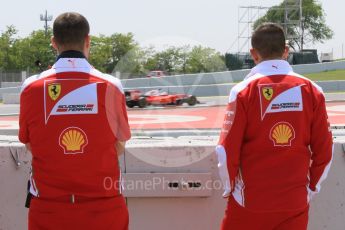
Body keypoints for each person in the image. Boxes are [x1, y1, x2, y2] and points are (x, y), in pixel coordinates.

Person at [18, 12, 131, 230]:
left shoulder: (31, 87)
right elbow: (119, 145)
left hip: (49, 209)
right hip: (105, 207)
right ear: (88, 40)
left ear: (53, 43)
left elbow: (30, 144)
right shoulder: (111, 86)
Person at [216, 23, 333, 230]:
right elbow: (325, 150)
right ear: (286, 51)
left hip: (248, 202)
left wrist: (229, 188)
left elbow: (225, 150)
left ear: (253, 53)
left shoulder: (242, 91)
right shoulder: (313, 90)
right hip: (294, 202)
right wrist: (311, 188)